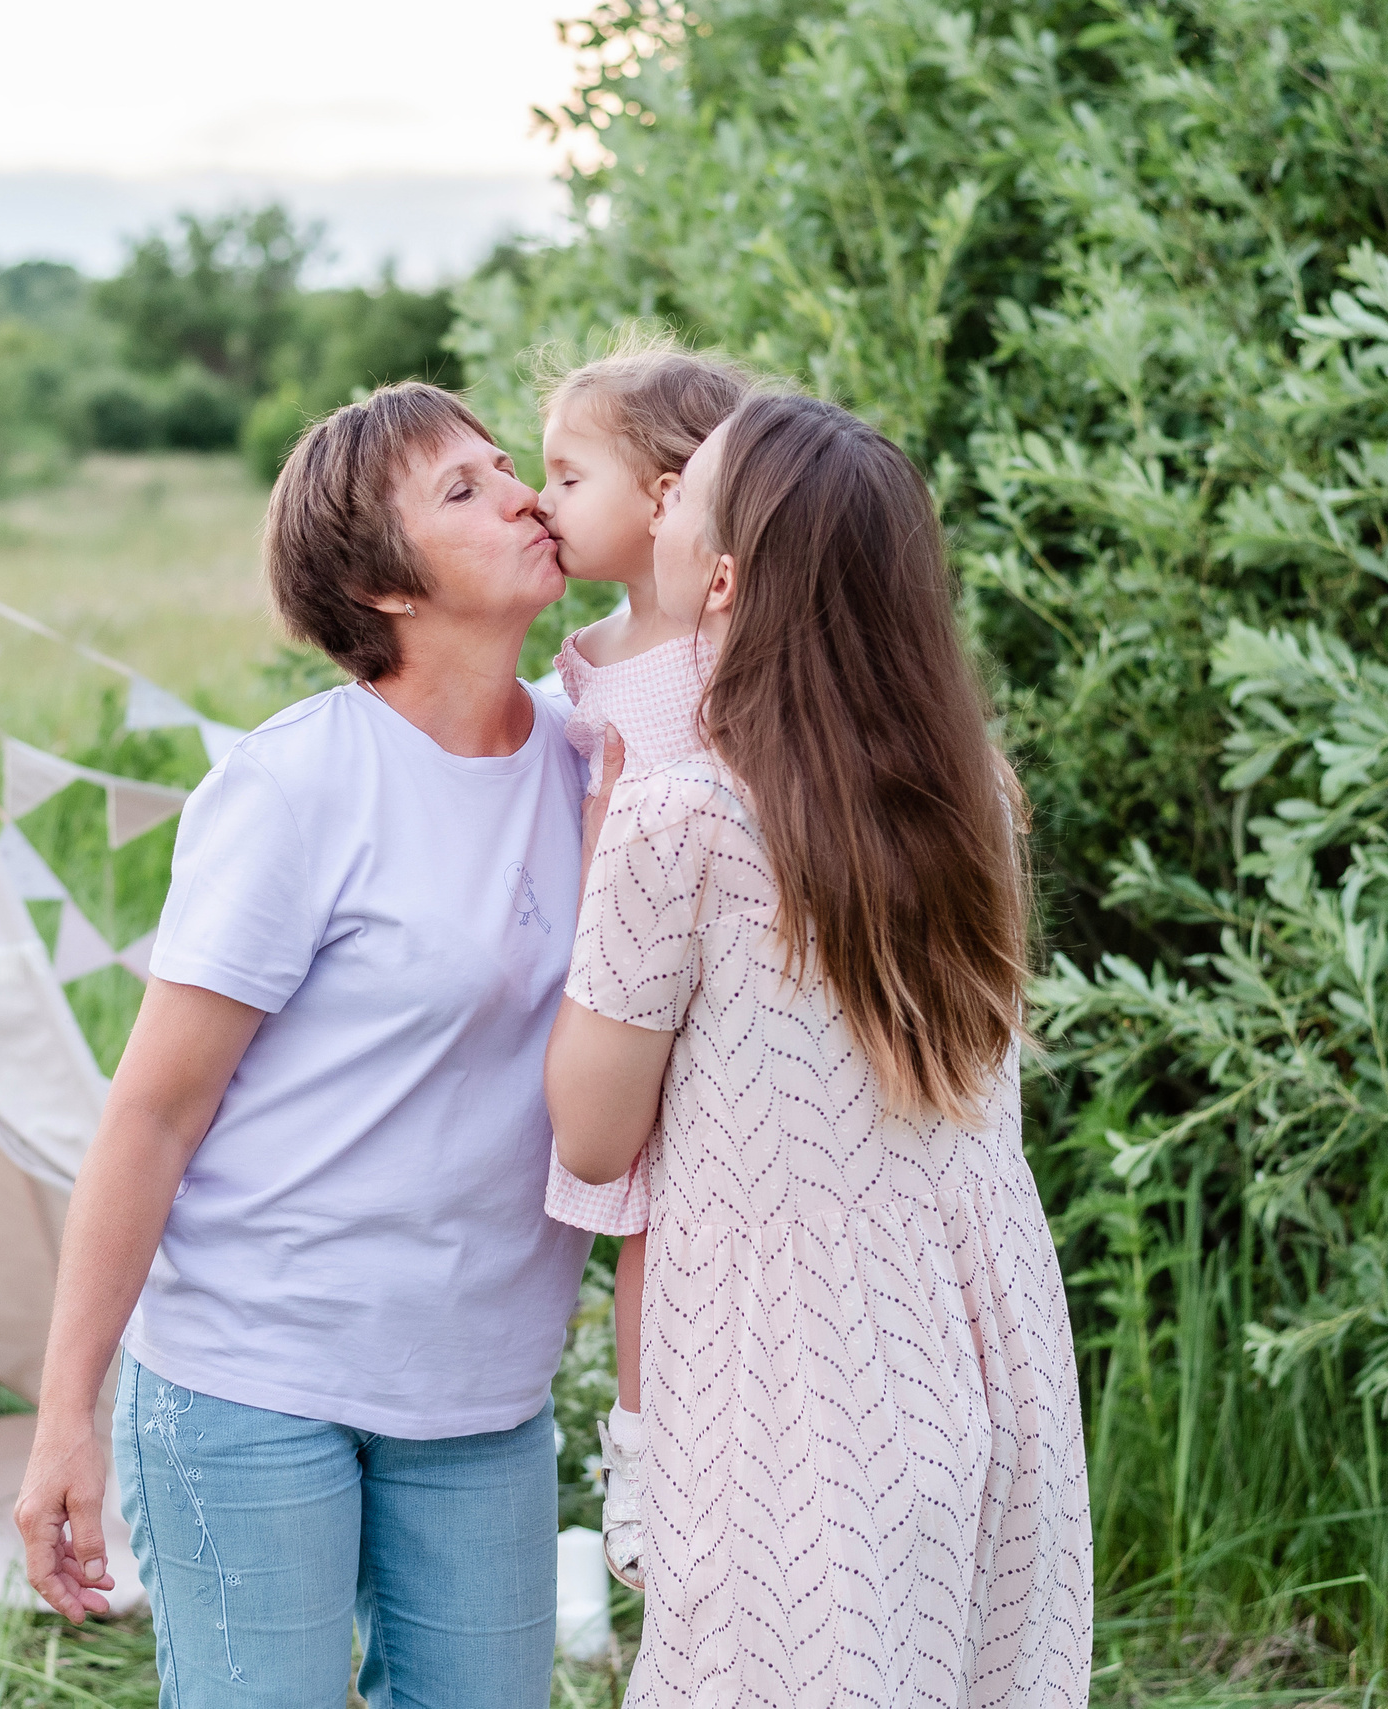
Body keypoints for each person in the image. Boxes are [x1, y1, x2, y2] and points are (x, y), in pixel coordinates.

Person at [13, 382, 593, 1708]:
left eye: (509, 467)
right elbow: (151, 1118)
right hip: (253, 1373)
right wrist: (66, 1417)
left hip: (484, 1384)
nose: (521, 493)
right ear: (381, 583)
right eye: (463, 488)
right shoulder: (294, 787)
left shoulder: (596, 764)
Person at [544, 393, 1094, 1705]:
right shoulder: (972, 788)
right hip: (985, 1326)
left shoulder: (678, 817)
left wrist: (600, 843)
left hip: (788, 1367)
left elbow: (593, 1130)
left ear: (720, 579)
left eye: (687, 495)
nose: (660, 506)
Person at [529, 338, 755, 1592]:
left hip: (715, 975)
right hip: (610, 973)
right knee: (637, 1225)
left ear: (669, 496)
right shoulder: (584, 655)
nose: (542, 503)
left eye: (569, 477)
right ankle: (640, 1452)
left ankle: (672, 1446)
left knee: (682, 1230)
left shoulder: (729, 651)